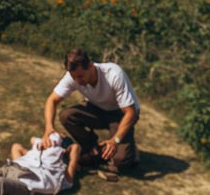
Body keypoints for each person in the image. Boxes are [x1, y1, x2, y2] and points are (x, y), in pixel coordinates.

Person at [42, 48, 140, 179]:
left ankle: (130, 151)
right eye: (73, 77)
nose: (77, 81)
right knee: (67, 116)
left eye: (80, 76)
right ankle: (93, 148)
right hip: (97, 109)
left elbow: (131, 112)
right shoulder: (74, 75)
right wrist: (49, 127)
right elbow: (51, 100)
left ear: (90, 66)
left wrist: (115, 141)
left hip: (120, 114)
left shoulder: (114, 74)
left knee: (120, 162)